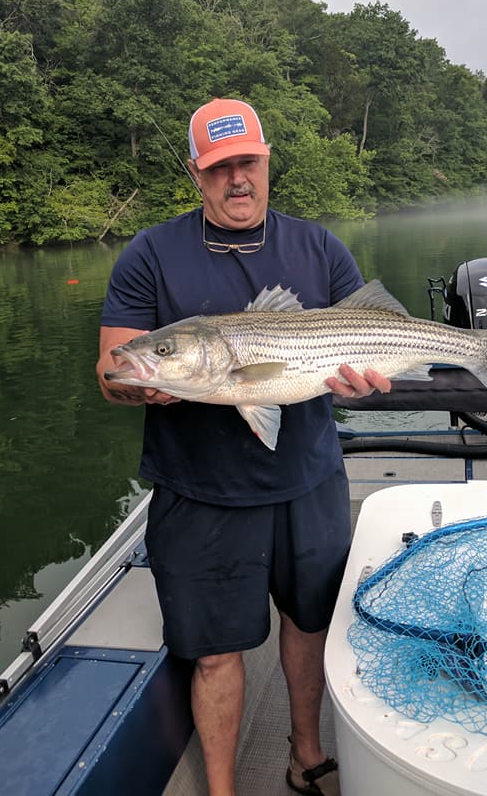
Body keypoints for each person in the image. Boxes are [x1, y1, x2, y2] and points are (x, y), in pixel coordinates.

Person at [96, 98, 390, 796]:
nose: (237, 180)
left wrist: (360, 384)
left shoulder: (319, 247)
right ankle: (223, 790)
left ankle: (306, 754)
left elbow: (366, 345)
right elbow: (112, 370)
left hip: (308, 480)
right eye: (220, 167)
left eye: (247, 163)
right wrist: (151, 382)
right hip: (198, 491)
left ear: (266, 161)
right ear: (196, 174)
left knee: (309, 622)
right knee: (212, 652)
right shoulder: (150, 254)